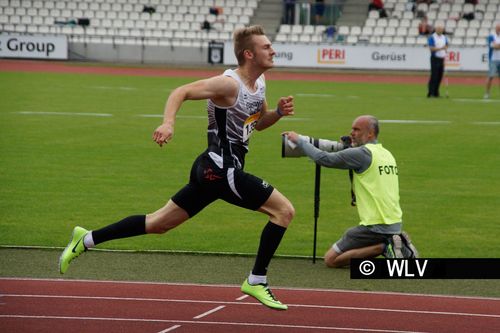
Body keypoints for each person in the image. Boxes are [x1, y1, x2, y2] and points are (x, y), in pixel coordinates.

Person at [59, 25, 295, 311]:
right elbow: (180, 91)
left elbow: (256, 123)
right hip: (221, 169)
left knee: (158, 224)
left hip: (212, 171)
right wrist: (168, 122)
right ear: (249, 54)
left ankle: (85, 239)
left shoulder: (259, 84)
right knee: (283, 211)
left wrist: (278, 114)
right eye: (266, 46)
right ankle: (257, 280)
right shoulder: (228, 84)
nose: (272, 50)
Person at [283, 115, 419, 268]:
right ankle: (395, 240)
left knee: (331, 260)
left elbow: (324, 159)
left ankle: (384, 246)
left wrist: (300, 140)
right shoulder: (386, 154)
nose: (351, 132)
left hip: (374, 226)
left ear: (370, 134)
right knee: (351, 250)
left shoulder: (362, 154)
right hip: (394, 223)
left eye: (356, 129)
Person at [427, 23, 448, 98]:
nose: (440, 30)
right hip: (435, 58)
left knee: (439, 76)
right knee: (434, 76)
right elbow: (431, 48)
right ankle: (431, 92)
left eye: (441, 29)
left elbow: (446, 45)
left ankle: (436, 92)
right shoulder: (432, 37)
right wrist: (441, 48)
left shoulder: (444, 37)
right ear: (436, 29)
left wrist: (445, 49)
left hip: (441, 58)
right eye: (438, 29)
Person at [484, 23, 500, 99]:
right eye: (498, 28)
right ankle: (487, 93)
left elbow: (496, 46)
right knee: (490, 77)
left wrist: (497, 45)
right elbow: (494, 47)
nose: (499, 30)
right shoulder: (491, 36)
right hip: (493, 60)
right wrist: (496, 45)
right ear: (496, 29)